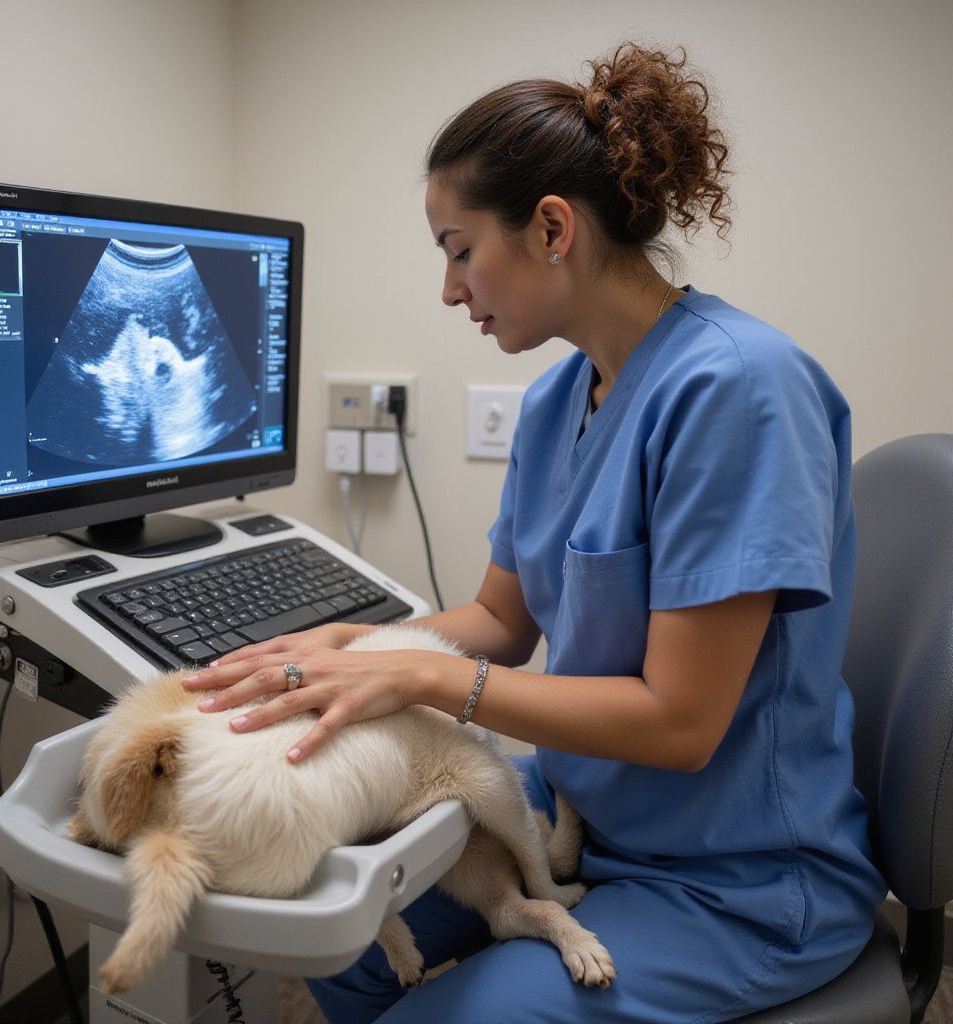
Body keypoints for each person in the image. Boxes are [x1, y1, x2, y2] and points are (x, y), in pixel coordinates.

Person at [182, 42, 886, 1023]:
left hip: (737, 880)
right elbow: (500, 621)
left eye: (458, 249)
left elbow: (682, 724)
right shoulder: (560, 399)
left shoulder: (738, 392)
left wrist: (424, 676)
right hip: (582, 821)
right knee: (340, 938)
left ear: (551, 227)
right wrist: (363, 648)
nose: (449, 289)